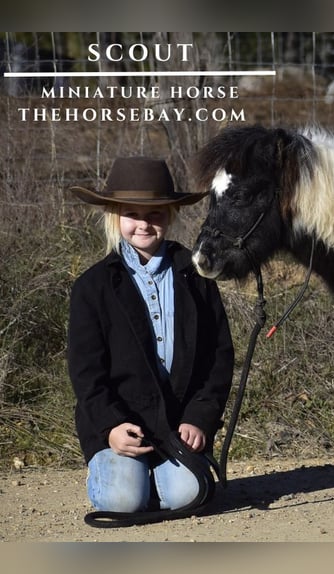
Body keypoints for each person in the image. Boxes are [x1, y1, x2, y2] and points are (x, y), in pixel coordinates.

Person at [67, 156, 234, 513]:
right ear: (115, 215)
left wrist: (200, 417)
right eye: (132, 214)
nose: (144, 224)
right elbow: (86, 374)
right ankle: (120, 475)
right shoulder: (92, 287)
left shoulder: (196, 278)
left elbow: (217, 356)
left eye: (155, 214)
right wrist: (111, 426)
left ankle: (160, 479)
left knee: (187, 496)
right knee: (121, 501)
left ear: (170, 215)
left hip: (178, 428)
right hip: (119, 427)